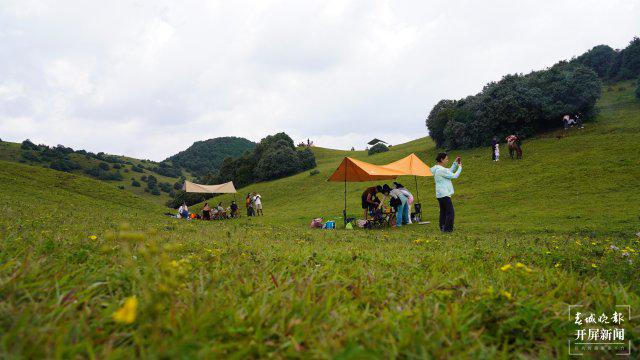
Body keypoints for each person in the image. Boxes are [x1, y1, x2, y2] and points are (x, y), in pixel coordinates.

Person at [429, 153, 462, 232]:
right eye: (446, 159)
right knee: (450, 212)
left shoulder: (437, 169)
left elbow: (449, 171)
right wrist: (460, 167)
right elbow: (454, 175)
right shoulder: (441, 170)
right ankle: (448, 229)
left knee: (443, 212)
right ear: (441, 160)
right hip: (445, 194)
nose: (447, 160)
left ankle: (442, 226)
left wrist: (455, 163)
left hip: (440, 194)